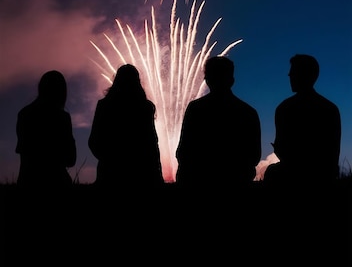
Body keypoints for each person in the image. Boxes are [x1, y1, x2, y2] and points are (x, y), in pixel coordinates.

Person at [175, 56, 262, 190]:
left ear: (207, 80)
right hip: (236, 182)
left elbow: (183, 151)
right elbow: (254, 156)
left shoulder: (196, 109)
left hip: (199, 182)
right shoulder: (248, 112)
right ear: (232, 80)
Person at [264, 54, 341, 187]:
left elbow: (282, 149)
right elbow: (333, 154)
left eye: (294, 72)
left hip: (296, 175)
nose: (289, 75)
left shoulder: (284, 109)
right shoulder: (330, 109)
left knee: (272, 173)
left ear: (306, 75)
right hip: (323, 176)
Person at [88, 63, 164, 190]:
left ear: (116, 80)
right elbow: (152, 144)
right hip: (141, 175)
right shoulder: (146, 107)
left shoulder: (104, 105)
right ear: (137, 82)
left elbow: (94, 141)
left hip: (109, 176)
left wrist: (109, 160)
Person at [15, 70, 77, 190]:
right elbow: (71, 159)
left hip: (27, 183)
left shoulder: (24, 114)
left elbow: (24, 151)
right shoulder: (62, 117)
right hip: (57, 183)